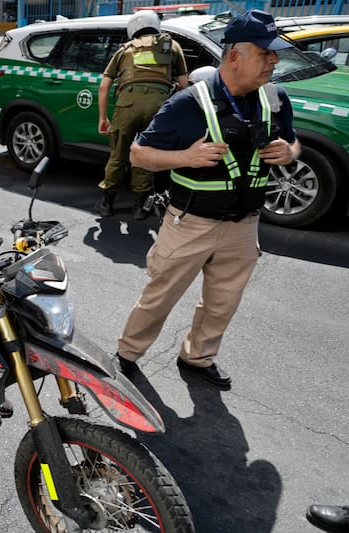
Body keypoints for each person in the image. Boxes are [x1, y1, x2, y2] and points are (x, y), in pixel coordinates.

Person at [113, 9, 301, 388]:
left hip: (244, 226)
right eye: (265, 53)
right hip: (190, 223)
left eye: (274, 53)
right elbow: (138, 154)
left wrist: (290, 151)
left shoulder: (275, 98)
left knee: (222, 303)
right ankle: (126, 356)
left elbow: (294, 142)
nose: (274, 60)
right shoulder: (187, 103)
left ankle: (198, 357)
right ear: (235, 56)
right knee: (159, 297)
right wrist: (185, 158)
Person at [96, 10, 188, 220]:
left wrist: (103, 118)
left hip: (127, 105)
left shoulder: (125, 49)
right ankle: (139, 207)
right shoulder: (172, 46)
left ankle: (106, 203)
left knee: (118, 155)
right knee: (144, 155)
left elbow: (104, 86)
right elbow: (184, 86)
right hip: (158, 106)